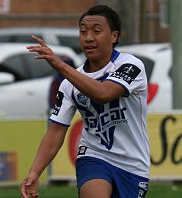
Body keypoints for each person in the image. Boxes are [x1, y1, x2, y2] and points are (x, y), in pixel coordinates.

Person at [20, 5, 150, 198]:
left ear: (114, 36)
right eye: (83, 31)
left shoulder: (130, 65)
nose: (88, 37)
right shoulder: (69, 84)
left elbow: (104, 93)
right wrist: (34, 172)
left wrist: (60, 65)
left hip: (133, 166)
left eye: (97, 31)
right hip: (94, 156)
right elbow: (56, 130)